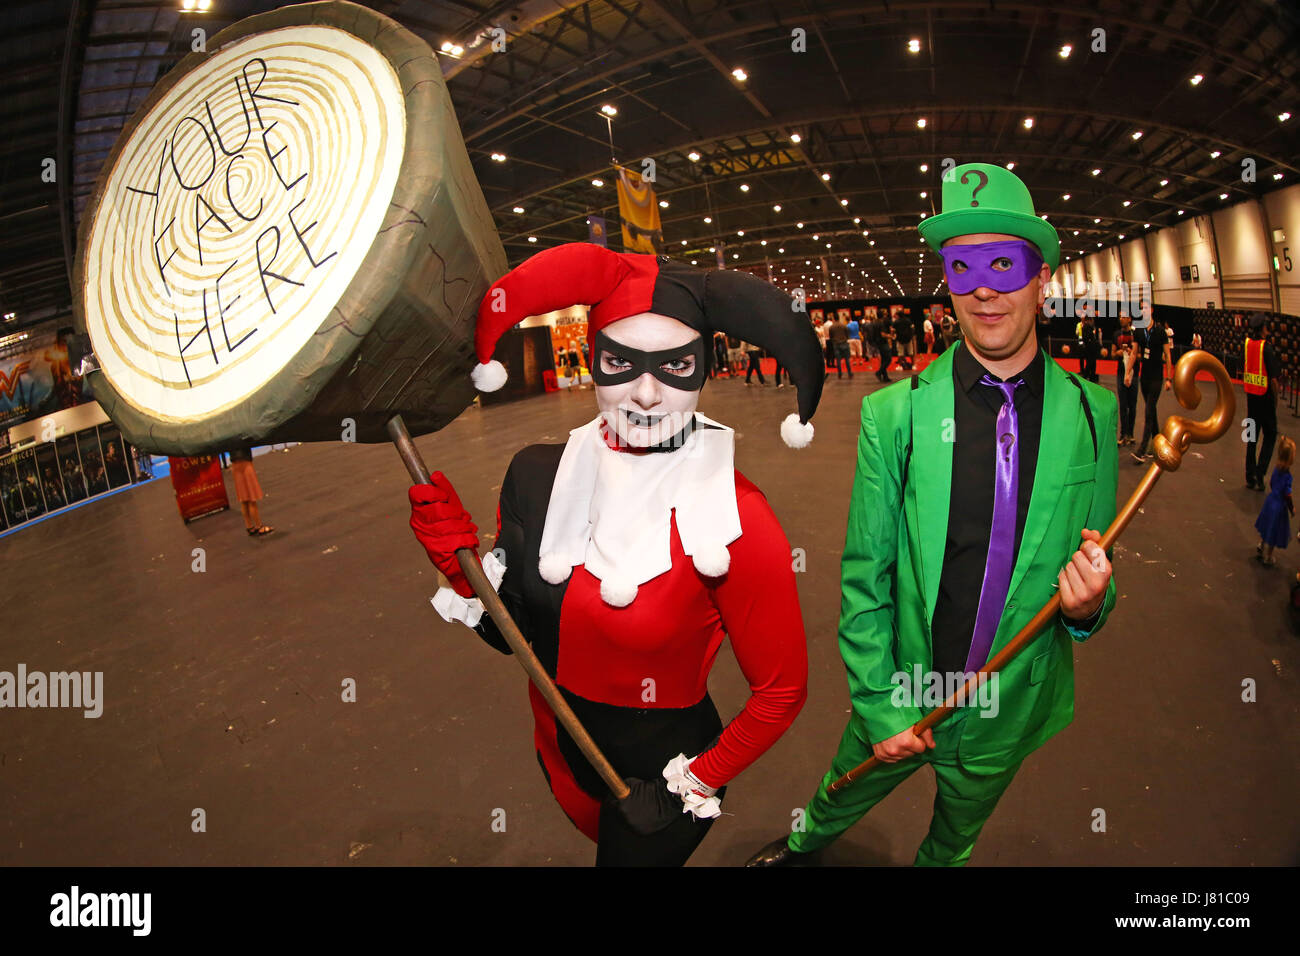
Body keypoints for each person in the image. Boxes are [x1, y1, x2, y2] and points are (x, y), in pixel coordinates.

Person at [748, 162, 1117, 867]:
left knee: (954, 842)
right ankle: (800, 848)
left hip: (1008, 705)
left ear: (1042, 280)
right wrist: (882, 702)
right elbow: (865, 574)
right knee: (840, 791)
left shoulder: (1094, 417)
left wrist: (1088, 604)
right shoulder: (896, 416)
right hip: (907, 686)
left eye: (1005, 265)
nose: (984, 288)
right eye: (962, 267)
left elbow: (1101, 564)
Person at [410, 242, 824, 866]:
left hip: (662, 781)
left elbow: (781, 691)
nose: (647, 394)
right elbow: (518, 637)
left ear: (703, 368)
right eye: (621, 363)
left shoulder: (737, 516)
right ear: (595, 361)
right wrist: (461, 567)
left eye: (674, 367)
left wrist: (692, 782)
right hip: (560, 749)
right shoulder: (536, 476)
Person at [1131, 304, 1172, 465]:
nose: (1144, 310)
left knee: (1148, 411)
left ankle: (1142, 450)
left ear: (1152, 310)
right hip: (1144, 378)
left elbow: (1167, 355)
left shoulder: (1160, 331)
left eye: (1146, 307)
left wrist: (1169, 378)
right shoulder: (1139, 330)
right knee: (1151, 411)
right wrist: (1128, 372)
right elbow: (1134, 352)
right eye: (1141, 308)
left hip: (1157, 378)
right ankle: (1157, 444)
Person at [1244, 312, 1281, 491]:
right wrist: (1276, 399)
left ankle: (1249, 475)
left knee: (1251, 437)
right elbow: (1273, 379)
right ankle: (1260, 472)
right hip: (1265, 400)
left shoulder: (1247, 345)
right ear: (1264, 328)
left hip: (1251, 400)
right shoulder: (1266, 348)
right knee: (1271, 434)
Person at [1255, 437, 1295, 567]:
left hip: (1270, 500)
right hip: (1279, 506)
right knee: (1274, 530)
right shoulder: (1288, 477)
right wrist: (1291, 508)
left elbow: (1272, 483)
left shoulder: (1276, 470)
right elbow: (1288, 494)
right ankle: (1268, 556)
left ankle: (1261, 545)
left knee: (1266, 525)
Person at [229, 446, 273, 536]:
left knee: (244, 499)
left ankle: (249, 526)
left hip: (235, 465)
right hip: (245, 464)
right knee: (252, 498)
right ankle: (259, 526)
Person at [1114, 313, 1138, 446]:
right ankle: (1123, 434)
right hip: (1120, 374)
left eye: (1124, 317)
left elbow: (1139, 355)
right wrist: (1117, 353)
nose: (1121, 319)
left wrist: (1132, 353)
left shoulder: (1136, 335)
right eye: (1120, 316)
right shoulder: (1116, 335)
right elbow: (1112, 354)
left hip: (1134, 374)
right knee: (1122, 406)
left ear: (1129, 319)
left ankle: (1131, 434)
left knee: (1132, 405)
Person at [1079, 313, 1100, 383]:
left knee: (1092, 363)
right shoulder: (1086, 327)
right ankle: (1086, 376)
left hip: (1092, 348)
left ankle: (1092, 376)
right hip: (1089, 348)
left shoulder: (1091, 327)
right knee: (1090, 363)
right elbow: (1086, 338)